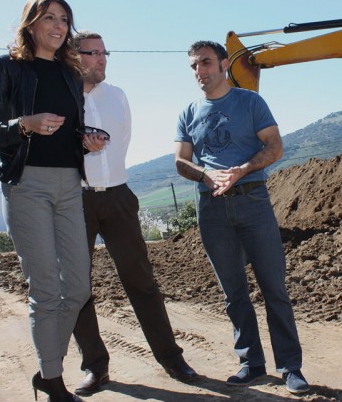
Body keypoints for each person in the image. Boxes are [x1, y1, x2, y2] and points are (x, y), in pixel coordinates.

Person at [0, 0, 104, 402]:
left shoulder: (70, 74)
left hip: (70, 184)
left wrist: (86, 140)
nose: (58, 26)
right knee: (47, 289)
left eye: (64, 20)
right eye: (49, 17)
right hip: (25, 185)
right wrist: (25, 124)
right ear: (30, 23)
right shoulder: (6, 68)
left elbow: (73, 128)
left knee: (79, 288)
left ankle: (47, 366)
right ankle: (52, 380)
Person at [174, 41, 310, 394]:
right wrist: (205, 175)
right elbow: (181, 160)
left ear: (222, 65)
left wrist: (243, 169)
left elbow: (275, 147)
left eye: (205, 63)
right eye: (193, 66)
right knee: (233, 292)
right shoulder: (188, 112)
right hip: (211, 208)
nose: (199, 71)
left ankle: (290, 368)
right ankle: (251, 364)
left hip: (252, 201)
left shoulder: (250, 102)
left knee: (273, 287)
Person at [71, 31, 197, 395]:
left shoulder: (118, 96)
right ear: (73, 56)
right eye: (92, 53)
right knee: (78, 288)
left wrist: (109, 178)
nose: (101, 59)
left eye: (104, 52)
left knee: (141, 280)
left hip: (119, 196)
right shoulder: (62, 96)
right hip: (76, 202)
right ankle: (96, 368)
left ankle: (171, 357)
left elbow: (121, 142)